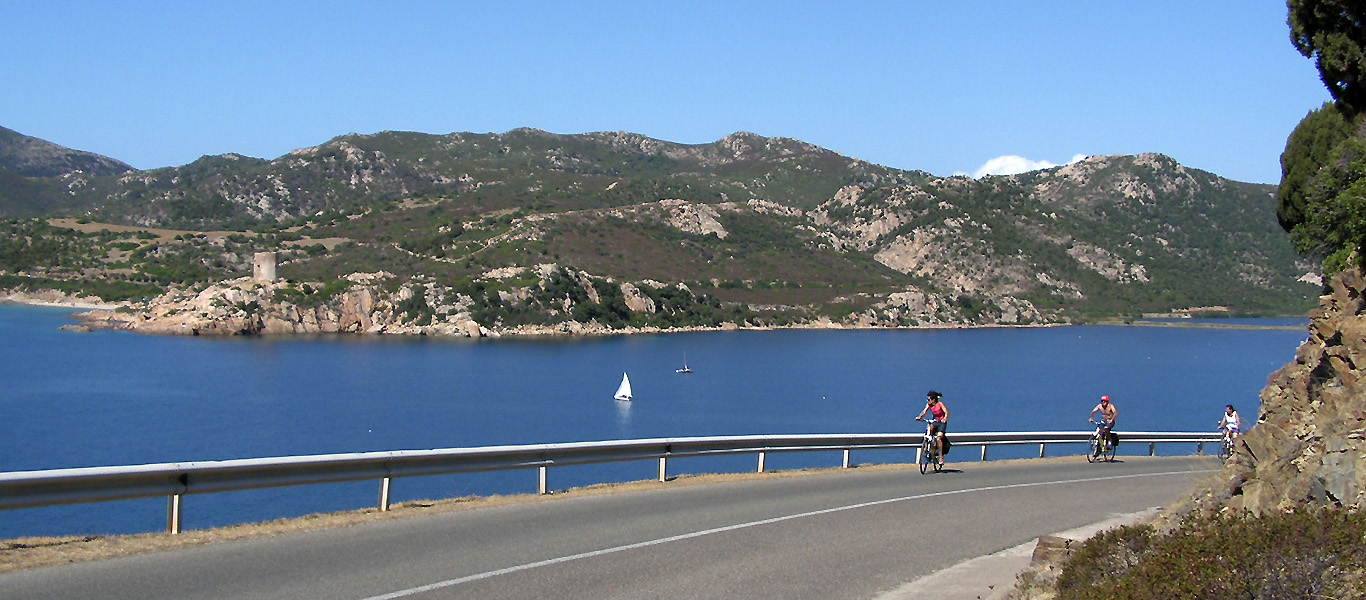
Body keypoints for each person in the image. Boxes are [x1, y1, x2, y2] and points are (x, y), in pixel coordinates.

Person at [916, 390, 949, 465]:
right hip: (935, 421)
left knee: (939, 438)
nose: (927, 401)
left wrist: (945, 418)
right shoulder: (929, 405)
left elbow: (946, 412)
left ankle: (941, 456)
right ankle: (927, 446)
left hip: (941, 423)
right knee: (929, 428)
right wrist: (920, 417)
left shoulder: (940, 404)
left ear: (933, 400)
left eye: (929, 399)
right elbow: (924, 411)